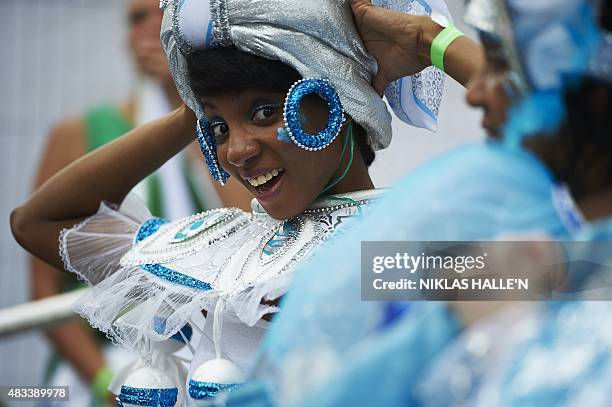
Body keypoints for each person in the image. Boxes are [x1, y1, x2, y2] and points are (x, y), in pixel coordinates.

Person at [9, 0, 476, 405]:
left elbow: (547, 144)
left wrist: (430, 40)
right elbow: (39, 221)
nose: (237, 151)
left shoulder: (403, 245)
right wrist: (194, 107)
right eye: (219, 129)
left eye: (264, 112)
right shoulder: (218, 252)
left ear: (339, 97)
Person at [235, 0, 611, 405]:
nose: (476, 92)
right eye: (216, 125)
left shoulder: (495, 221)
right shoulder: (532, 249)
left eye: (500, 64)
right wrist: (428, 39)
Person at [29, 0, 251, 405]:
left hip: (210, 355)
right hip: (105, 362)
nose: (150, 27)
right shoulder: (76, 133)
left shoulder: (227, 136)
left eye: (163, 16)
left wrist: (200, 108)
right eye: (137, 18)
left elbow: (252, 221)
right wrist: (103, 383)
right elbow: (42, 283)